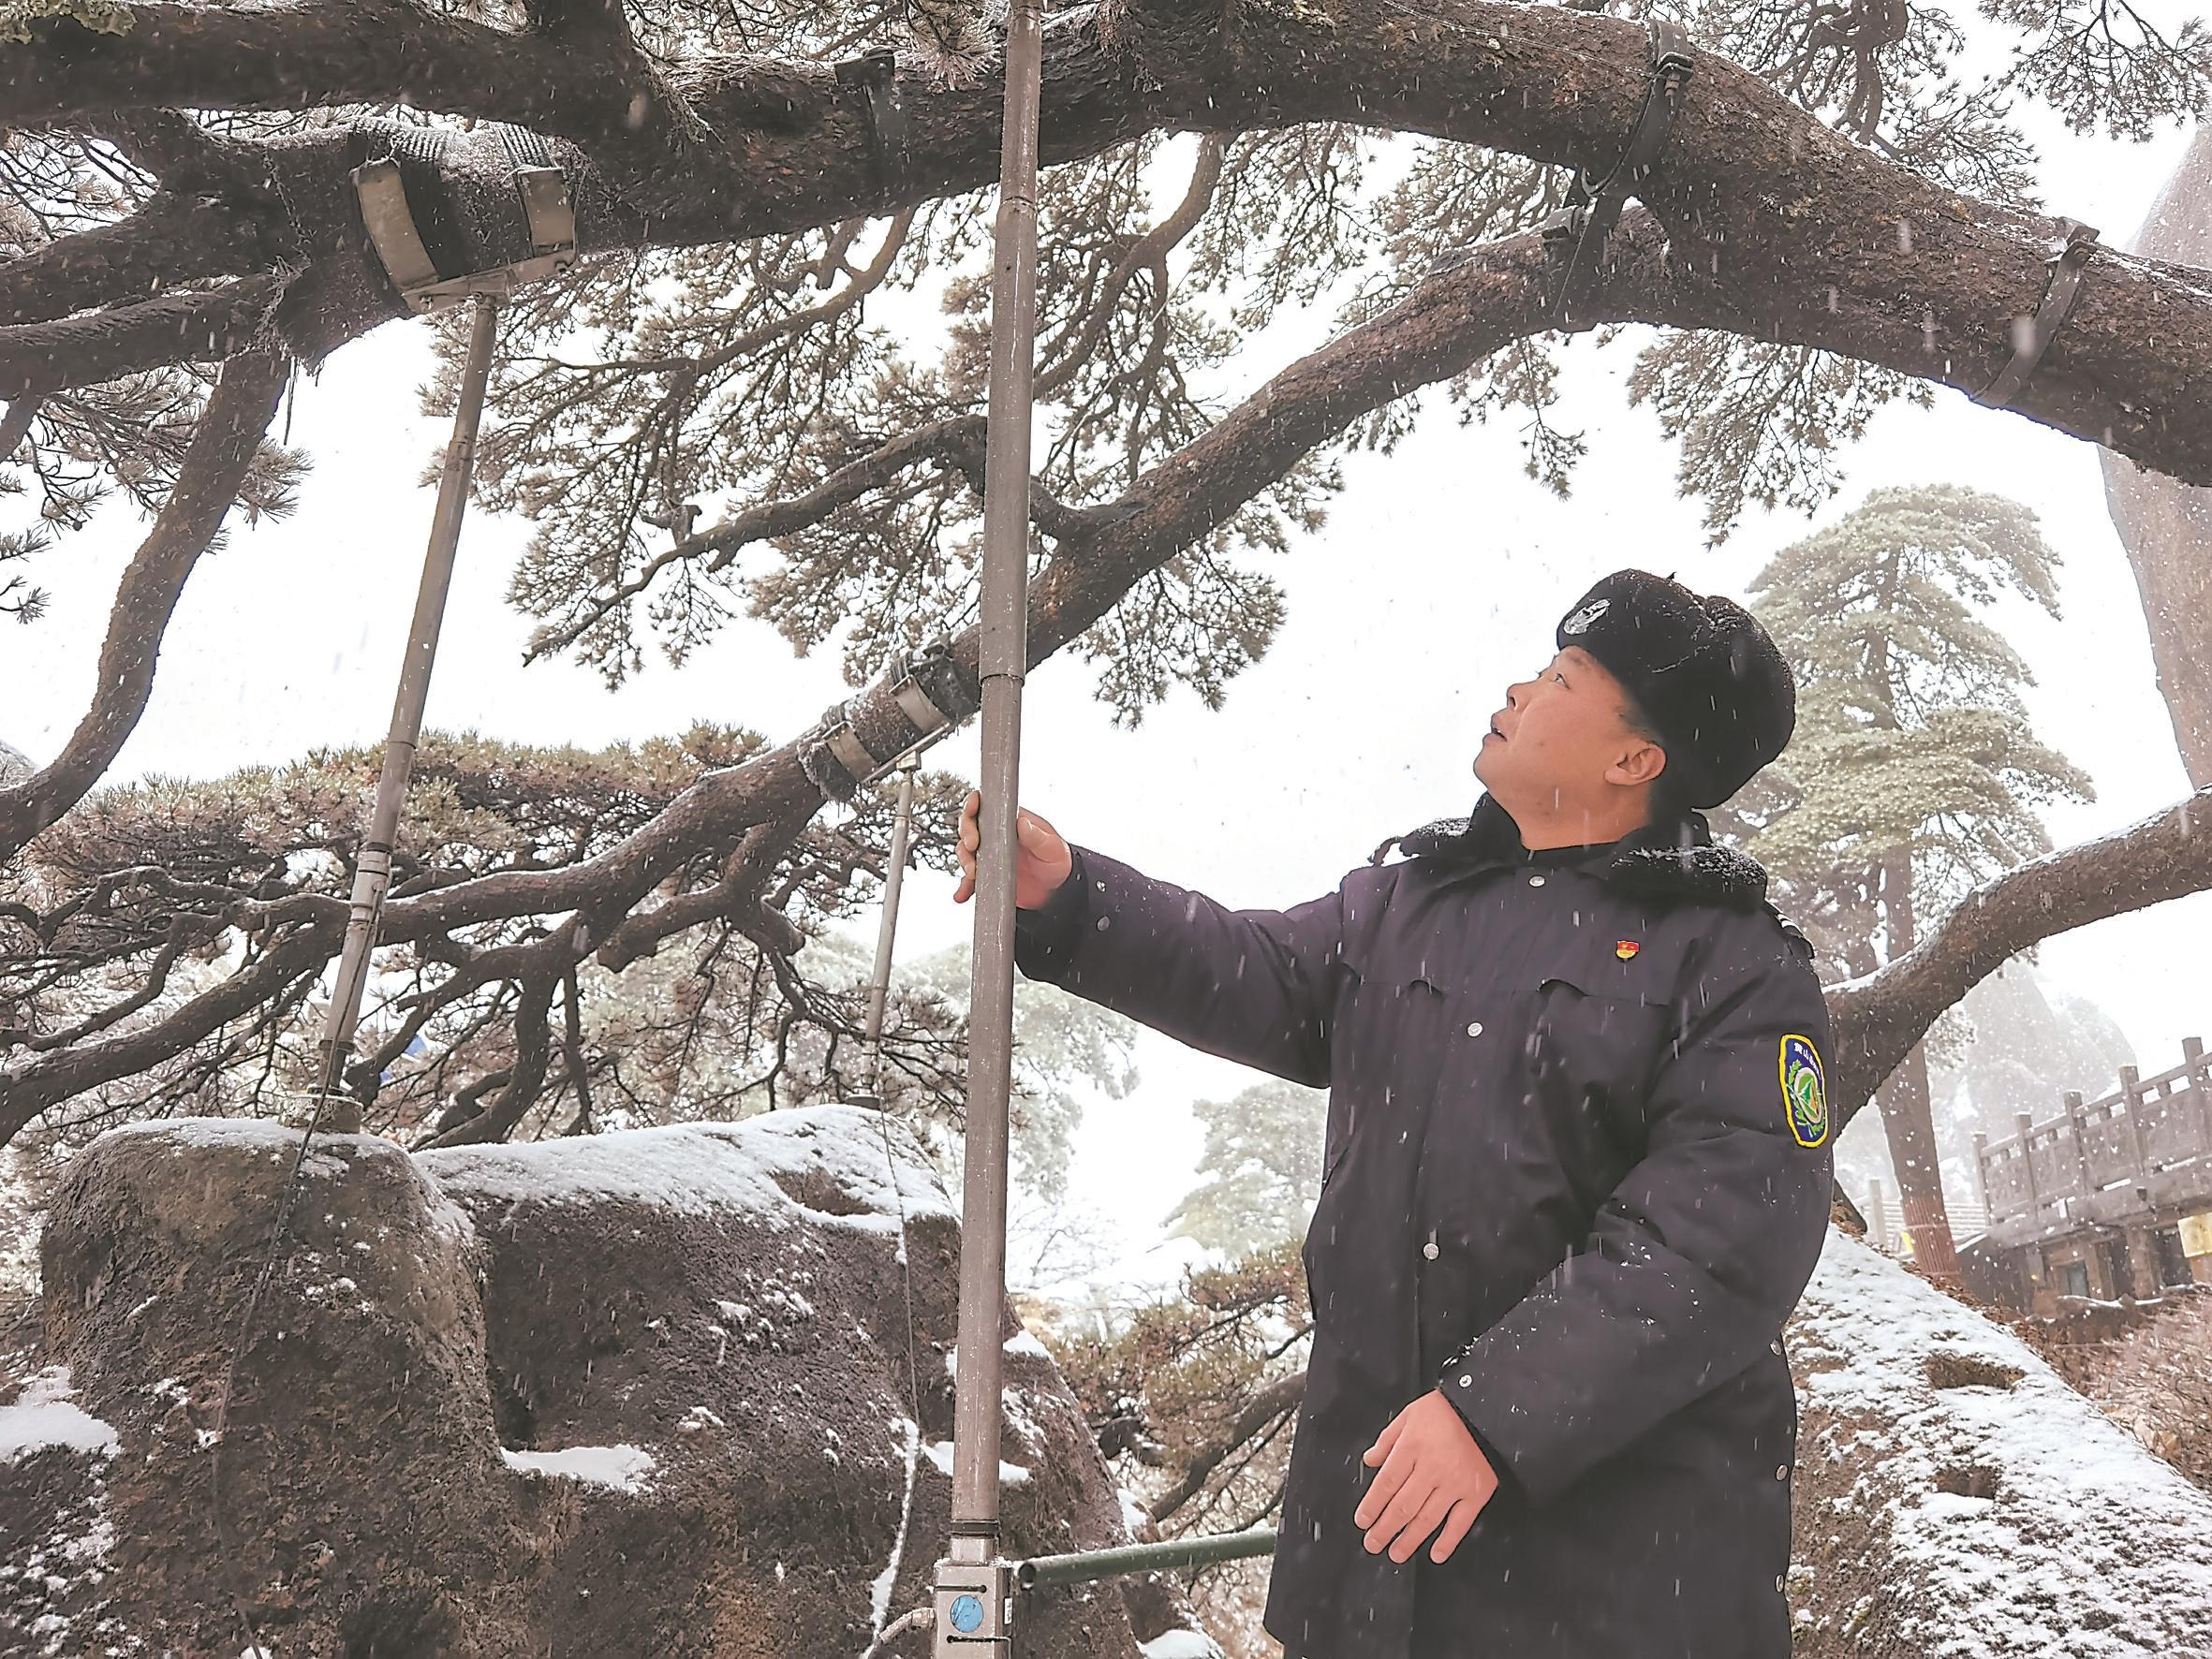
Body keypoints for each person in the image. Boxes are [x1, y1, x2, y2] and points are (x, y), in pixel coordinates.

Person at [955, 568, 1835, 1659]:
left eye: (1560, 677)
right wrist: (1072, 893)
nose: (1517, 688)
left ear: (1632, 759)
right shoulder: (1414, 903)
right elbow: (1254, 968)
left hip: (1616, 1574)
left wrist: (1494, 1410)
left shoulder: (1734, 963)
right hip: (1371, 1553)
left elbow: (1717, 1243)